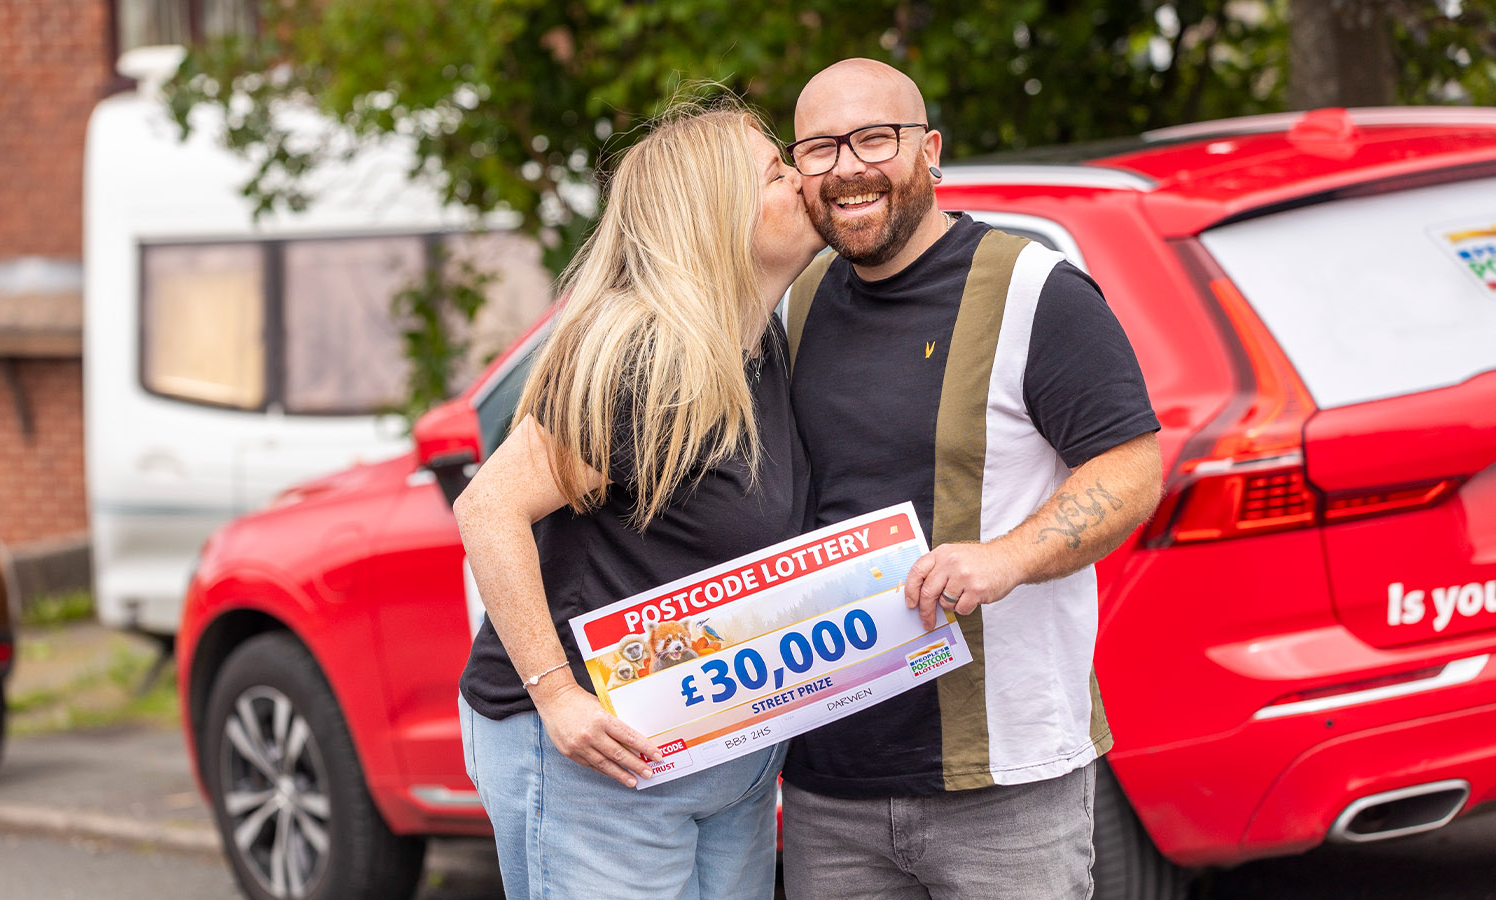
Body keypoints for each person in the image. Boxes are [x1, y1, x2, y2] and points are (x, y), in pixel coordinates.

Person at [778, 58, 1164, 899]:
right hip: (826, 783)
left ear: (930, 152)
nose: (847, 167)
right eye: (818, 148)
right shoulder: (793, 302)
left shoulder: (1033, 290)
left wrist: (1007, 558)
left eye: (874, 139)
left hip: (1007, 779)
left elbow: (1133, 466)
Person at [453, 100, 825, 900]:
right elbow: (488, 509)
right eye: (775, 171)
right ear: (715, 211)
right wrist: (556, 695)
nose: (803, 180)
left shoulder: (760, 342)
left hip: (720, 748)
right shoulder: (647, 356)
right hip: (603, 764)